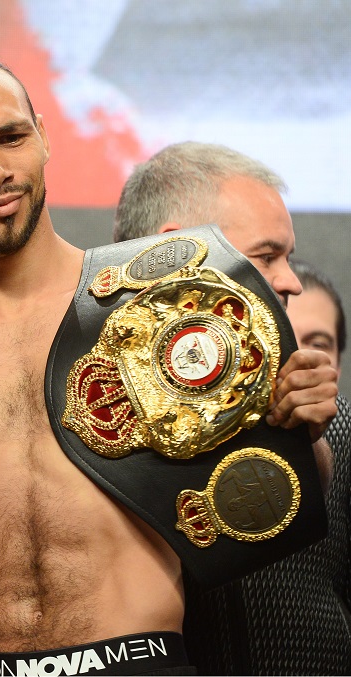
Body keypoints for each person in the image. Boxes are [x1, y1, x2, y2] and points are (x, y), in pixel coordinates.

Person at [0, 52, 338, 676]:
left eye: (10, 137)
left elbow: (270, 497)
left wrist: (300, 427)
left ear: (42, 136)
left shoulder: (156, 302)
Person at [113, 142, 350, 674]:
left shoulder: (326, 420)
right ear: (180, 250)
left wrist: (302, 437)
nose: (290, 280)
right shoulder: (86, 407)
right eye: (267, 256)